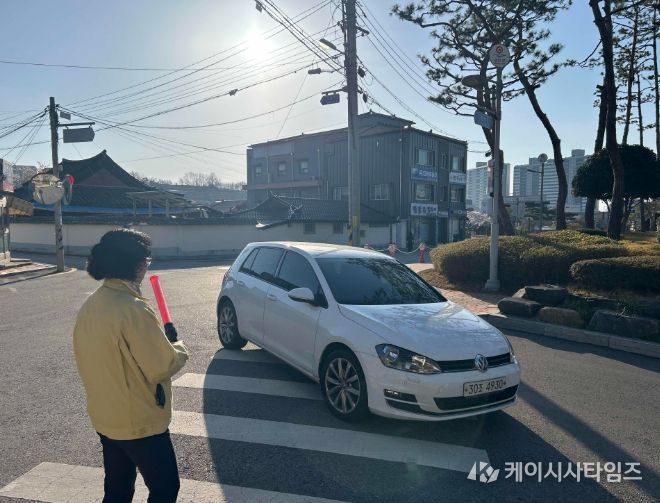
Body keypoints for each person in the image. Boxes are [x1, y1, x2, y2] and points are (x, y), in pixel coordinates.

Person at [73, 229, 189, 502]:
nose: (147, 266)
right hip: (139, 421)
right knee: (165, 488)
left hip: (106, 416)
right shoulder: (133, 309)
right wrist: (179, 348)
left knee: (118, 489)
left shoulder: (92, 304)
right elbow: (161, 365)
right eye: (146, 260)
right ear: (136, 265)